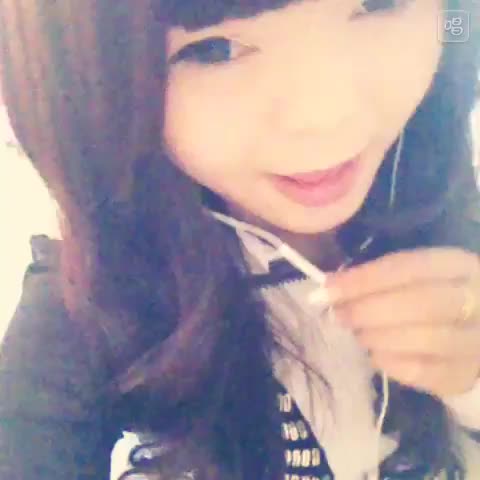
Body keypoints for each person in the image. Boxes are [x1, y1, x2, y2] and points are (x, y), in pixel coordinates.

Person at [1, 0, 480, 478]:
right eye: (215, 50)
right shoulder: (89, 297)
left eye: (378, 4)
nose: (325, 117)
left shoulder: (447, 183)